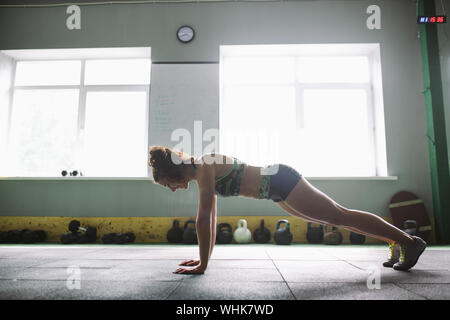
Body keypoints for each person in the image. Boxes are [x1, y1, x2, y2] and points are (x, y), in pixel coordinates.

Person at [148, 146, 427, 274]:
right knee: (339, 219)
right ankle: (396, 240)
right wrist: (202, 261)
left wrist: (203, 265)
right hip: (276, 191)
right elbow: (212, 219)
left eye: (168, 184)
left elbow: (204, 216)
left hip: (280, 179)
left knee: (339, 215)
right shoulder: (202, 173)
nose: (172, 188)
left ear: (173, 171)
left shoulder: (205, 164)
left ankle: (409, 241)